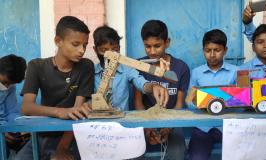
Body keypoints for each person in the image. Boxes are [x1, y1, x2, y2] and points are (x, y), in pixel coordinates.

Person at [15, 16, 94, 160]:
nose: (82, 50)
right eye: (76, 44)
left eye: (85, 45)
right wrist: (60, 112)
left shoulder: (85, 66)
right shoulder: (37, 66)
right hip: (42, 134)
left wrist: (62, 148)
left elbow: (77, 112)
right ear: (58, 41)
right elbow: (26, 107)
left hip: (71, 136)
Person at [134, 20, 189, 160]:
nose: (152, 51)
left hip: (173, 121)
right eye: (147, 46)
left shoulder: (181, 68)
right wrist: (147, 128)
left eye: (157, 46)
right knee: (133, 153)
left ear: (167, 42)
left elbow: (179, 104)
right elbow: (138, 103)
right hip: (145, 120)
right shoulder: (139, 65)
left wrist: (169, 127)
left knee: (178, 153)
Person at [187, 29, 238, 160]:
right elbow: (188, 101)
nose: (212, 54)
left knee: (240, 155)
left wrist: (224, 101)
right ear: (203, 50)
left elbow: (242, 100)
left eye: (217, 50)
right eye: (208, 50)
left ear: (225, 50)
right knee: (197, 158)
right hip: (203, 128)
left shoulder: (236, 71)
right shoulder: (196, 73)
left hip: (229, 126)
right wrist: (203, 103)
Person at [92, 25, 169, 112]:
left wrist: (153, 87)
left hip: (122, 121)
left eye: (115, 49)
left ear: (119, 49)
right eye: (104, 50)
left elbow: (142, 83)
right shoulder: (90, 72)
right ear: (95, 50)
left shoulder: (127, 70)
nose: (110, 55)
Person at [0, 54, 27, 156]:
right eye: (5, 82)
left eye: (11, 83)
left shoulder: (11, 85)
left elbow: (12, 111)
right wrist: (2, 131)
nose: (7, 86)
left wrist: (18, 129)